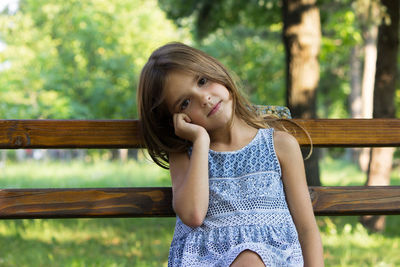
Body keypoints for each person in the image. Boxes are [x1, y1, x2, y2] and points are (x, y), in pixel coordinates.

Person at [137, 42, 324, 267]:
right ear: (176, 120)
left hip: (276, 260)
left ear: (216, 70)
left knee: (250, 258)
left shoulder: (280, 145)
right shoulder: (184, 153)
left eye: (202, 81)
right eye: (185, 103)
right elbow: (193, 215)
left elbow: (306, 229)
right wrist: (200, 141)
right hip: (207, 260)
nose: (204, 98)